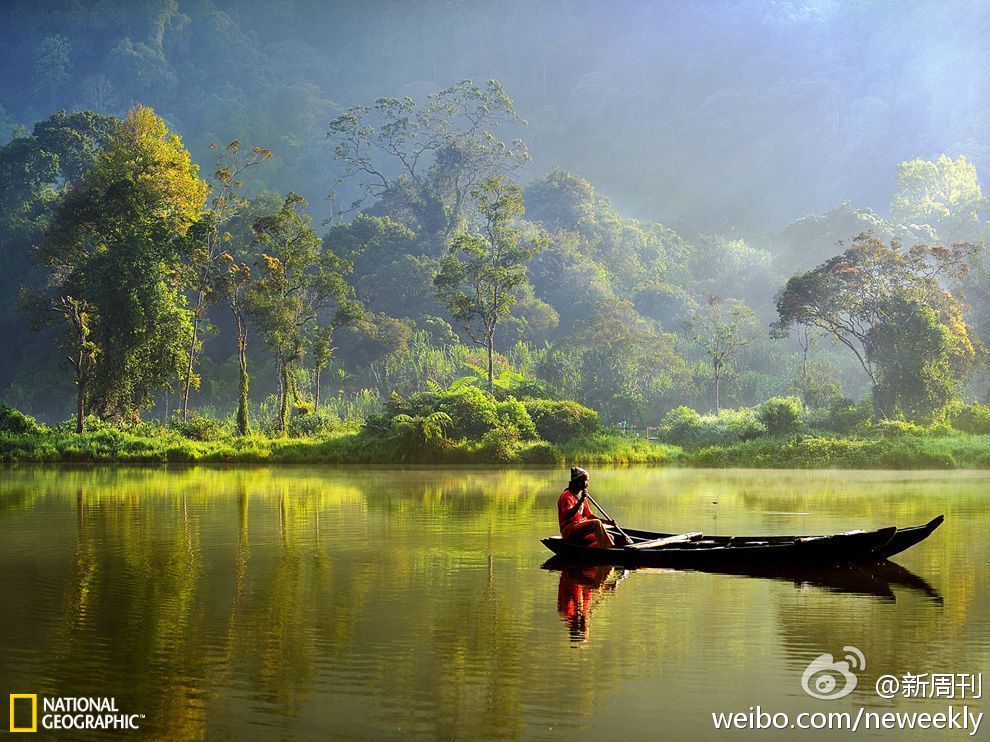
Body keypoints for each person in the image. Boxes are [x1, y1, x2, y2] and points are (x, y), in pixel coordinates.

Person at [556, 467, 615, 548]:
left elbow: (590, 516)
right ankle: (608, 551)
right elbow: (568, 515)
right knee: (595, 523)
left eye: (587, 481)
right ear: (578, 482)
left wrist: (608, 522)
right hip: (569, 532)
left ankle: (587, 552)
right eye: (585, 481)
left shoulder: (581, 495)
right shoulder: (566, 496)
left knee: (609, 537)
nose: (587, 483)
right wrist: (581, 500)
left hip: (580, 531)